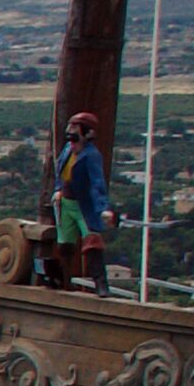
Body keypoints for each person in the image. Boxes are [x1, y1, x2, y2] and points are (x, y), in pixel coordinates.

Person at [51, 112, 116, 289]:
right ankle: (61, 281)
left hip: (83, 206)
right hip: (65, 203)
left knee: (92, 242)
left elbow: (97, 183)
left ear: (86, 132)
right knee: (64, 244)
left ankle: (101, 284)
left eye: (75, 128)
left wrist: (102, 207)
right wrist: (58, 190)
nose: (70, 132)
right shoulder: (67, 150)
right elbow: (59, 172)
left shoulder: (91, 155)